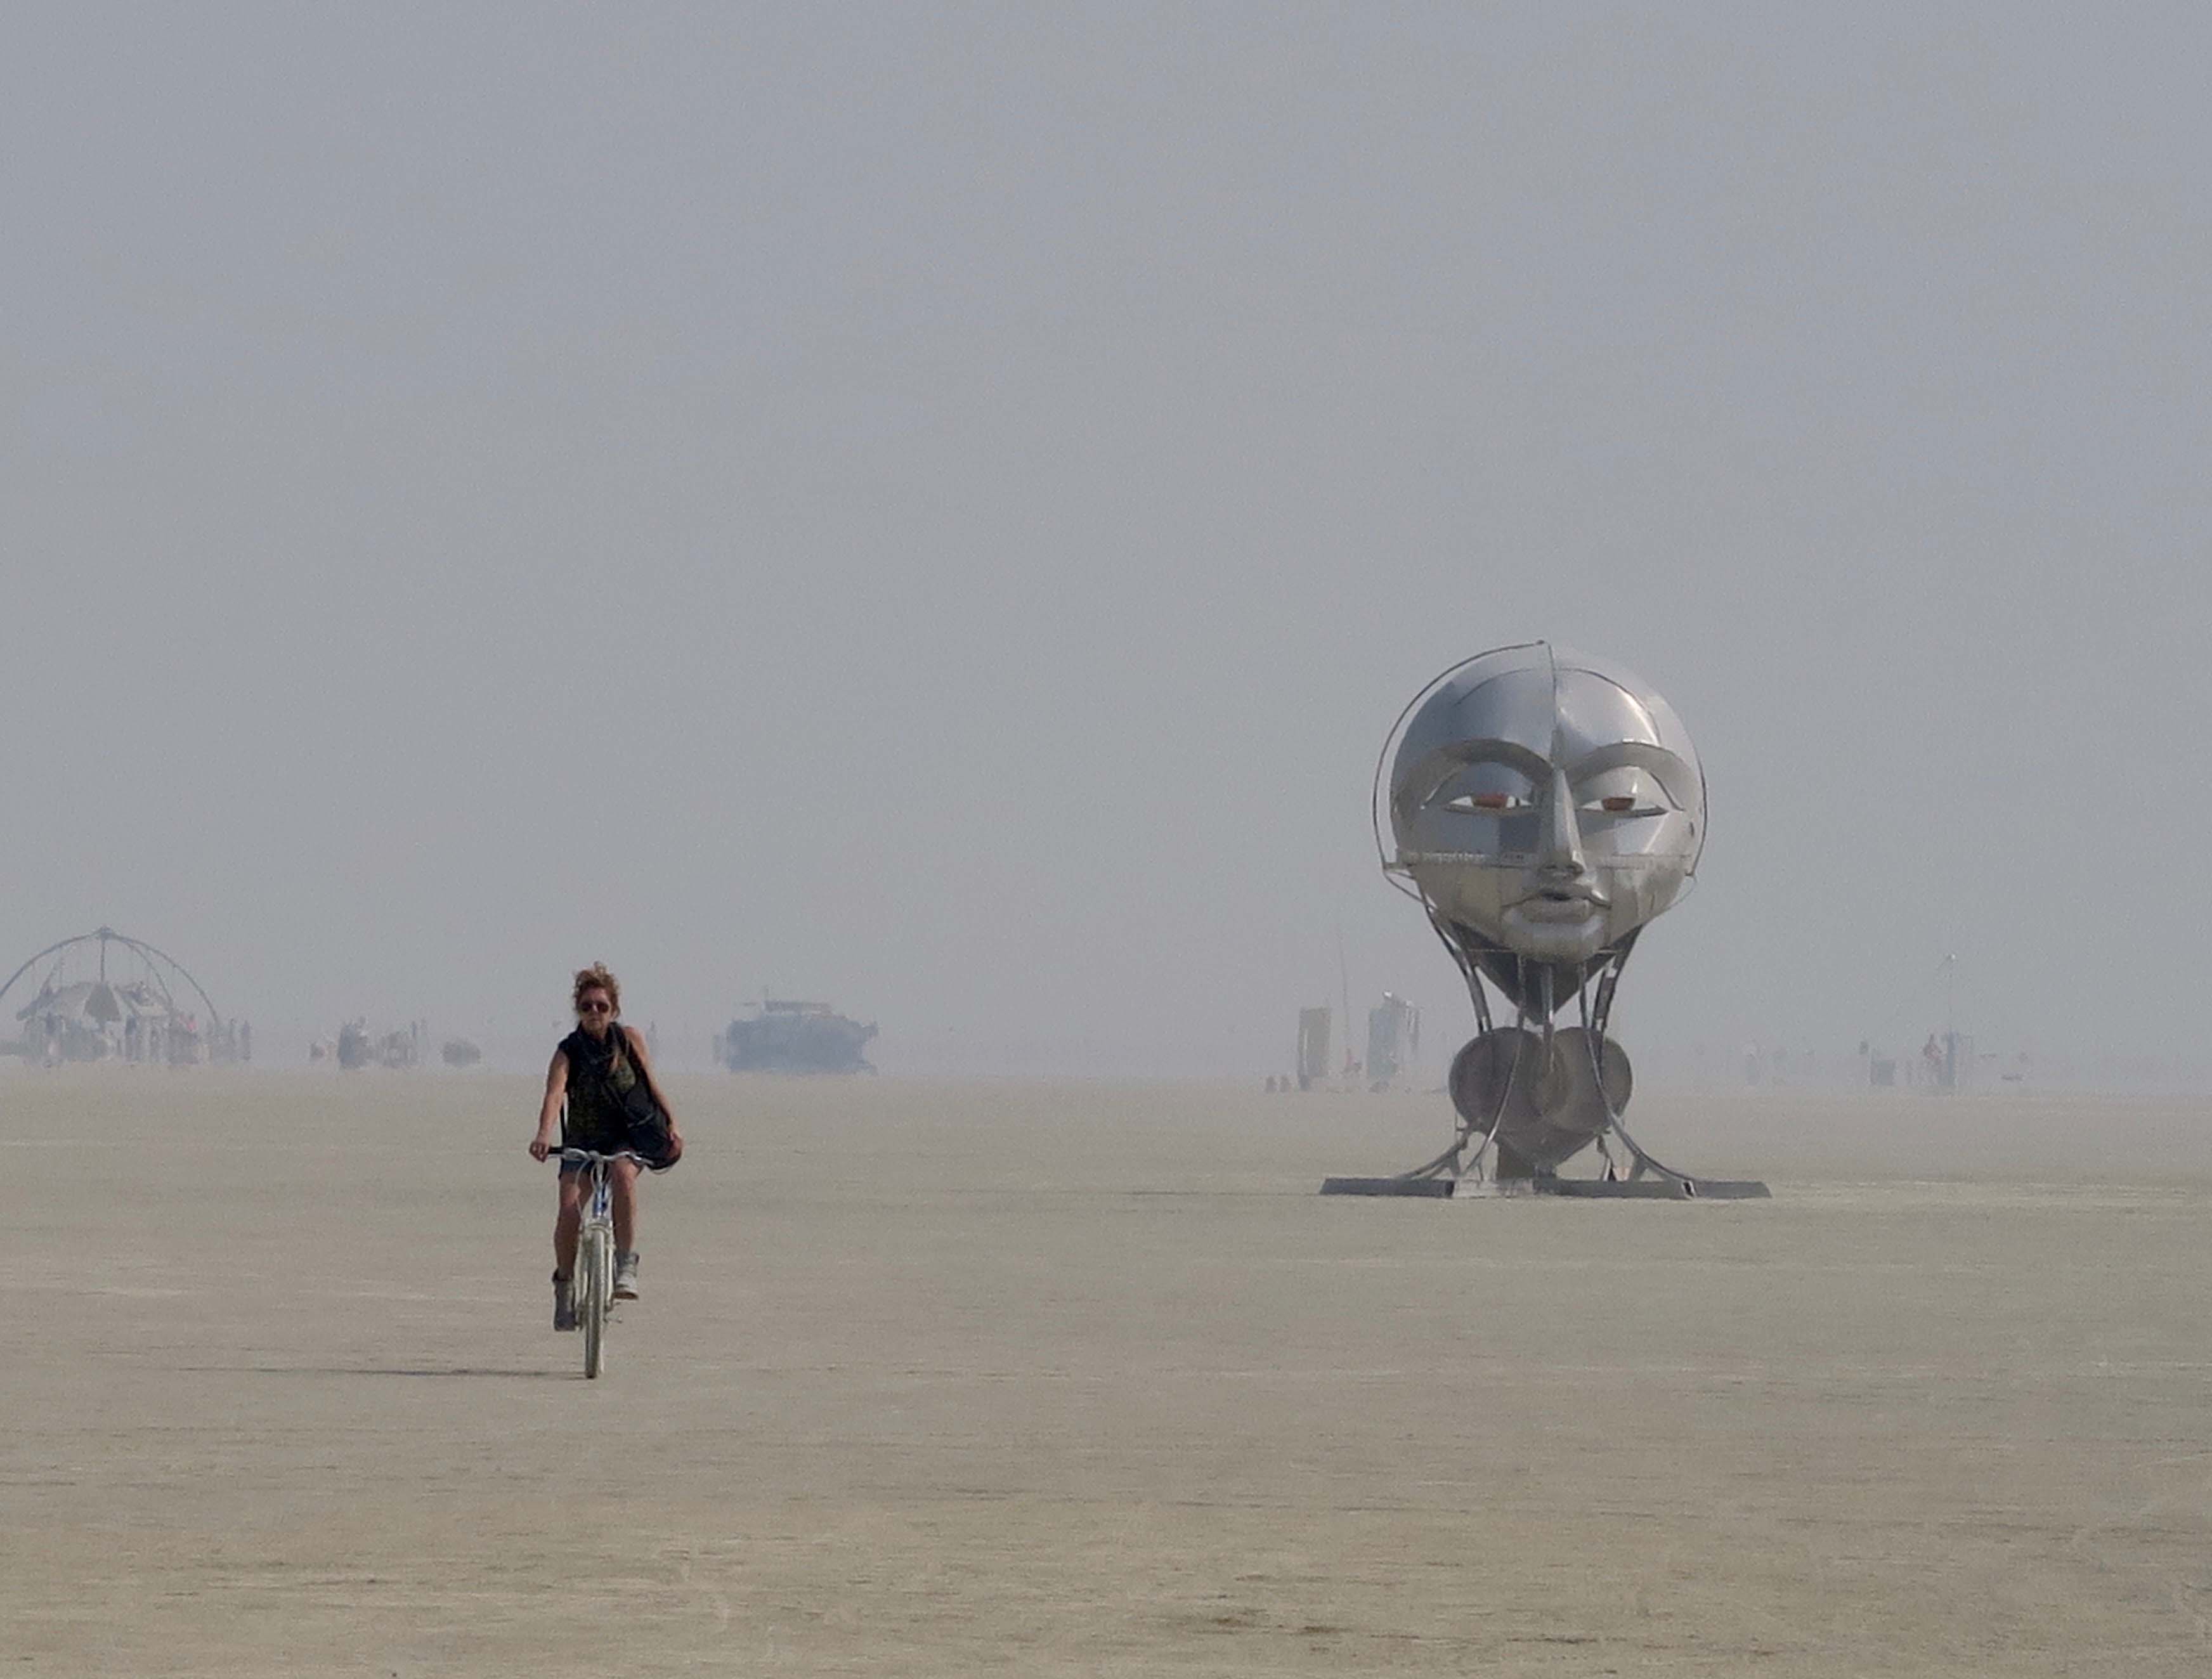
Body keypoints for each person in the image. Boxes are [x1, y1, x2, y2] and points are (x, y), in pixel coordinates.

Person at [530, 964, 684, 1331]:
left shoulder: (629, 1039)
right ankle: (565, 1286)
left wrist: (672, 1122)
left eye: (601, 1006)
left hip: (626, 1136)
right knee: (569, 1211)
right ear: (578, 1011)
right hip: (582, 1141)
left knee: (623, 1174)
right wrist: (543, 1135)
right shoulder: (567, 1052)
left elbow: (650, 1082)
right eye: (587, 1006)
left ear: (614, 1009)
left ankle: (626, 1265)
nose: (594, 1012)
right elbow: (554, 1096)